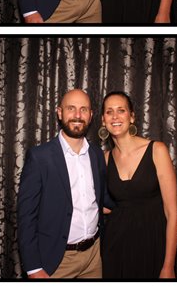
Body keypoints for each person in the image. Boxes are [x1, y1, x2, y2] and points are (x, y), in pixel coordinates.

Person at [17, 89, 109, 278]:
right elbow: (26, 216)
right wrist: (33, 268)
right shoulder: (40, 157)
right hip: (57, 260)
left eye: (84, 109)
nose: (77, 115)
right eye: (71, 108)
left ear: (91, 115)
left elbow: (102, 200)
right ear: (60, 112)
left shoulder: (97, 154)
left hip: (94, 257)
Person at [99, 91, 177, 278]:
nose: (115, 116)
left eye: (121, 110)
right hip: (116, 246)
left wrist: (168, 266)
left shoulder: (157, 150)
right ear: (103, 120)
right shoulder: (105, 159)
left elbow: (172, 214)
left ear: (132, 117)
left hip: (154, 244)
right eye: (109, 112)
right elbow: (107, 205)